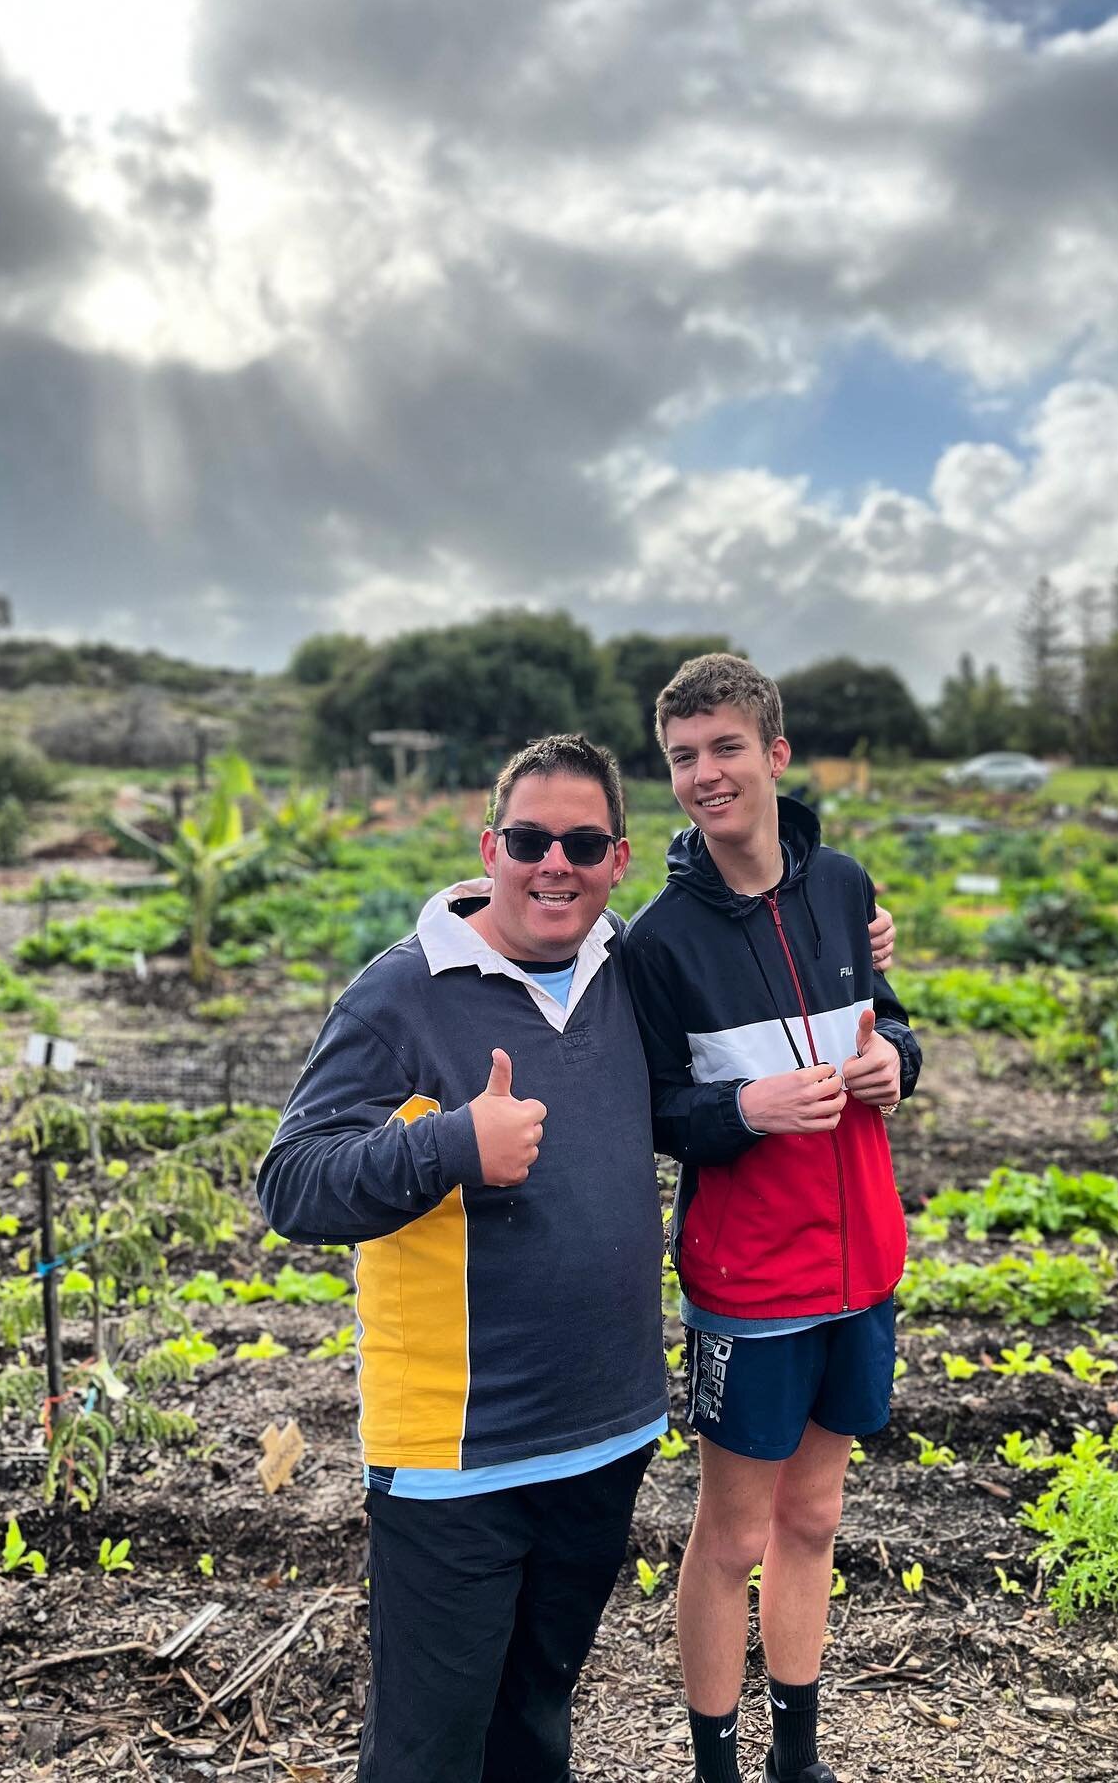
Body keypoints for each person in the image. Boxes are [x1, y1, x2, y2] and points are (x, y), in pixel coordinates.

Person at [258, 728, 900, 1782]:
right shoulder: (403, 992)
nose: (554, 862)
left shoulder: (624, 971)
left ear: (619, 859)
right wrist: (453, 1143)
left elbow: (735, 897)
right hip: (457, 1454)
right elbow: (293, 1182)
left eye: (583, 842)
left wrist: (850, 914)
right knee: (428, 1752)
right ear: (490, 846)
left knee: (536, 1726)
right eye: (529, 839)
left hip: (603, 1439)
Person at [621, 656, 922, 1783]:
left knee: (816, 1517)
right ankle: (715, 1764)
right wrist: (744, 1109)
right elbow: (650, 1110)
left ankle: (799, 1754)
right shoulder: (658, 943)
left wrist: (900, 1059)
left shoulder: (842, 884)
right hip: (750, 1284)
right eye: (684, 758)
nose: (706, 775)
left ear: (775, 755)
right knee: (733, 1534)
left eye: (725, 749)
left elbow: (891, 1023)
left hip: (864, 1265)